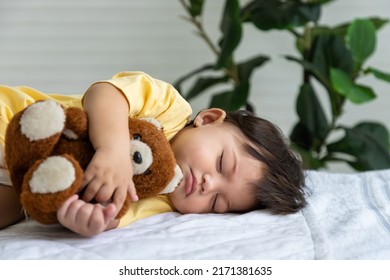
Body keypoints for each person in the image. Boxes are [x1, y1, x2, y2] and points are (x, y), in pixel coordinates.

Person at [0, 71, 306, 237]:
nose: (207, 185)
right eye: (221, 163)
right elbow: (104, 94)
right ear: (209, 119)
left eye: (217, 203)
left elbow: (115, 216)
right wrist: (114, 150)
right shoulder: (169, 108)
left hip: (19, 186)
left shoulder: (161, 202)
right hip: (14, 121)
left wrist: (87, 221)